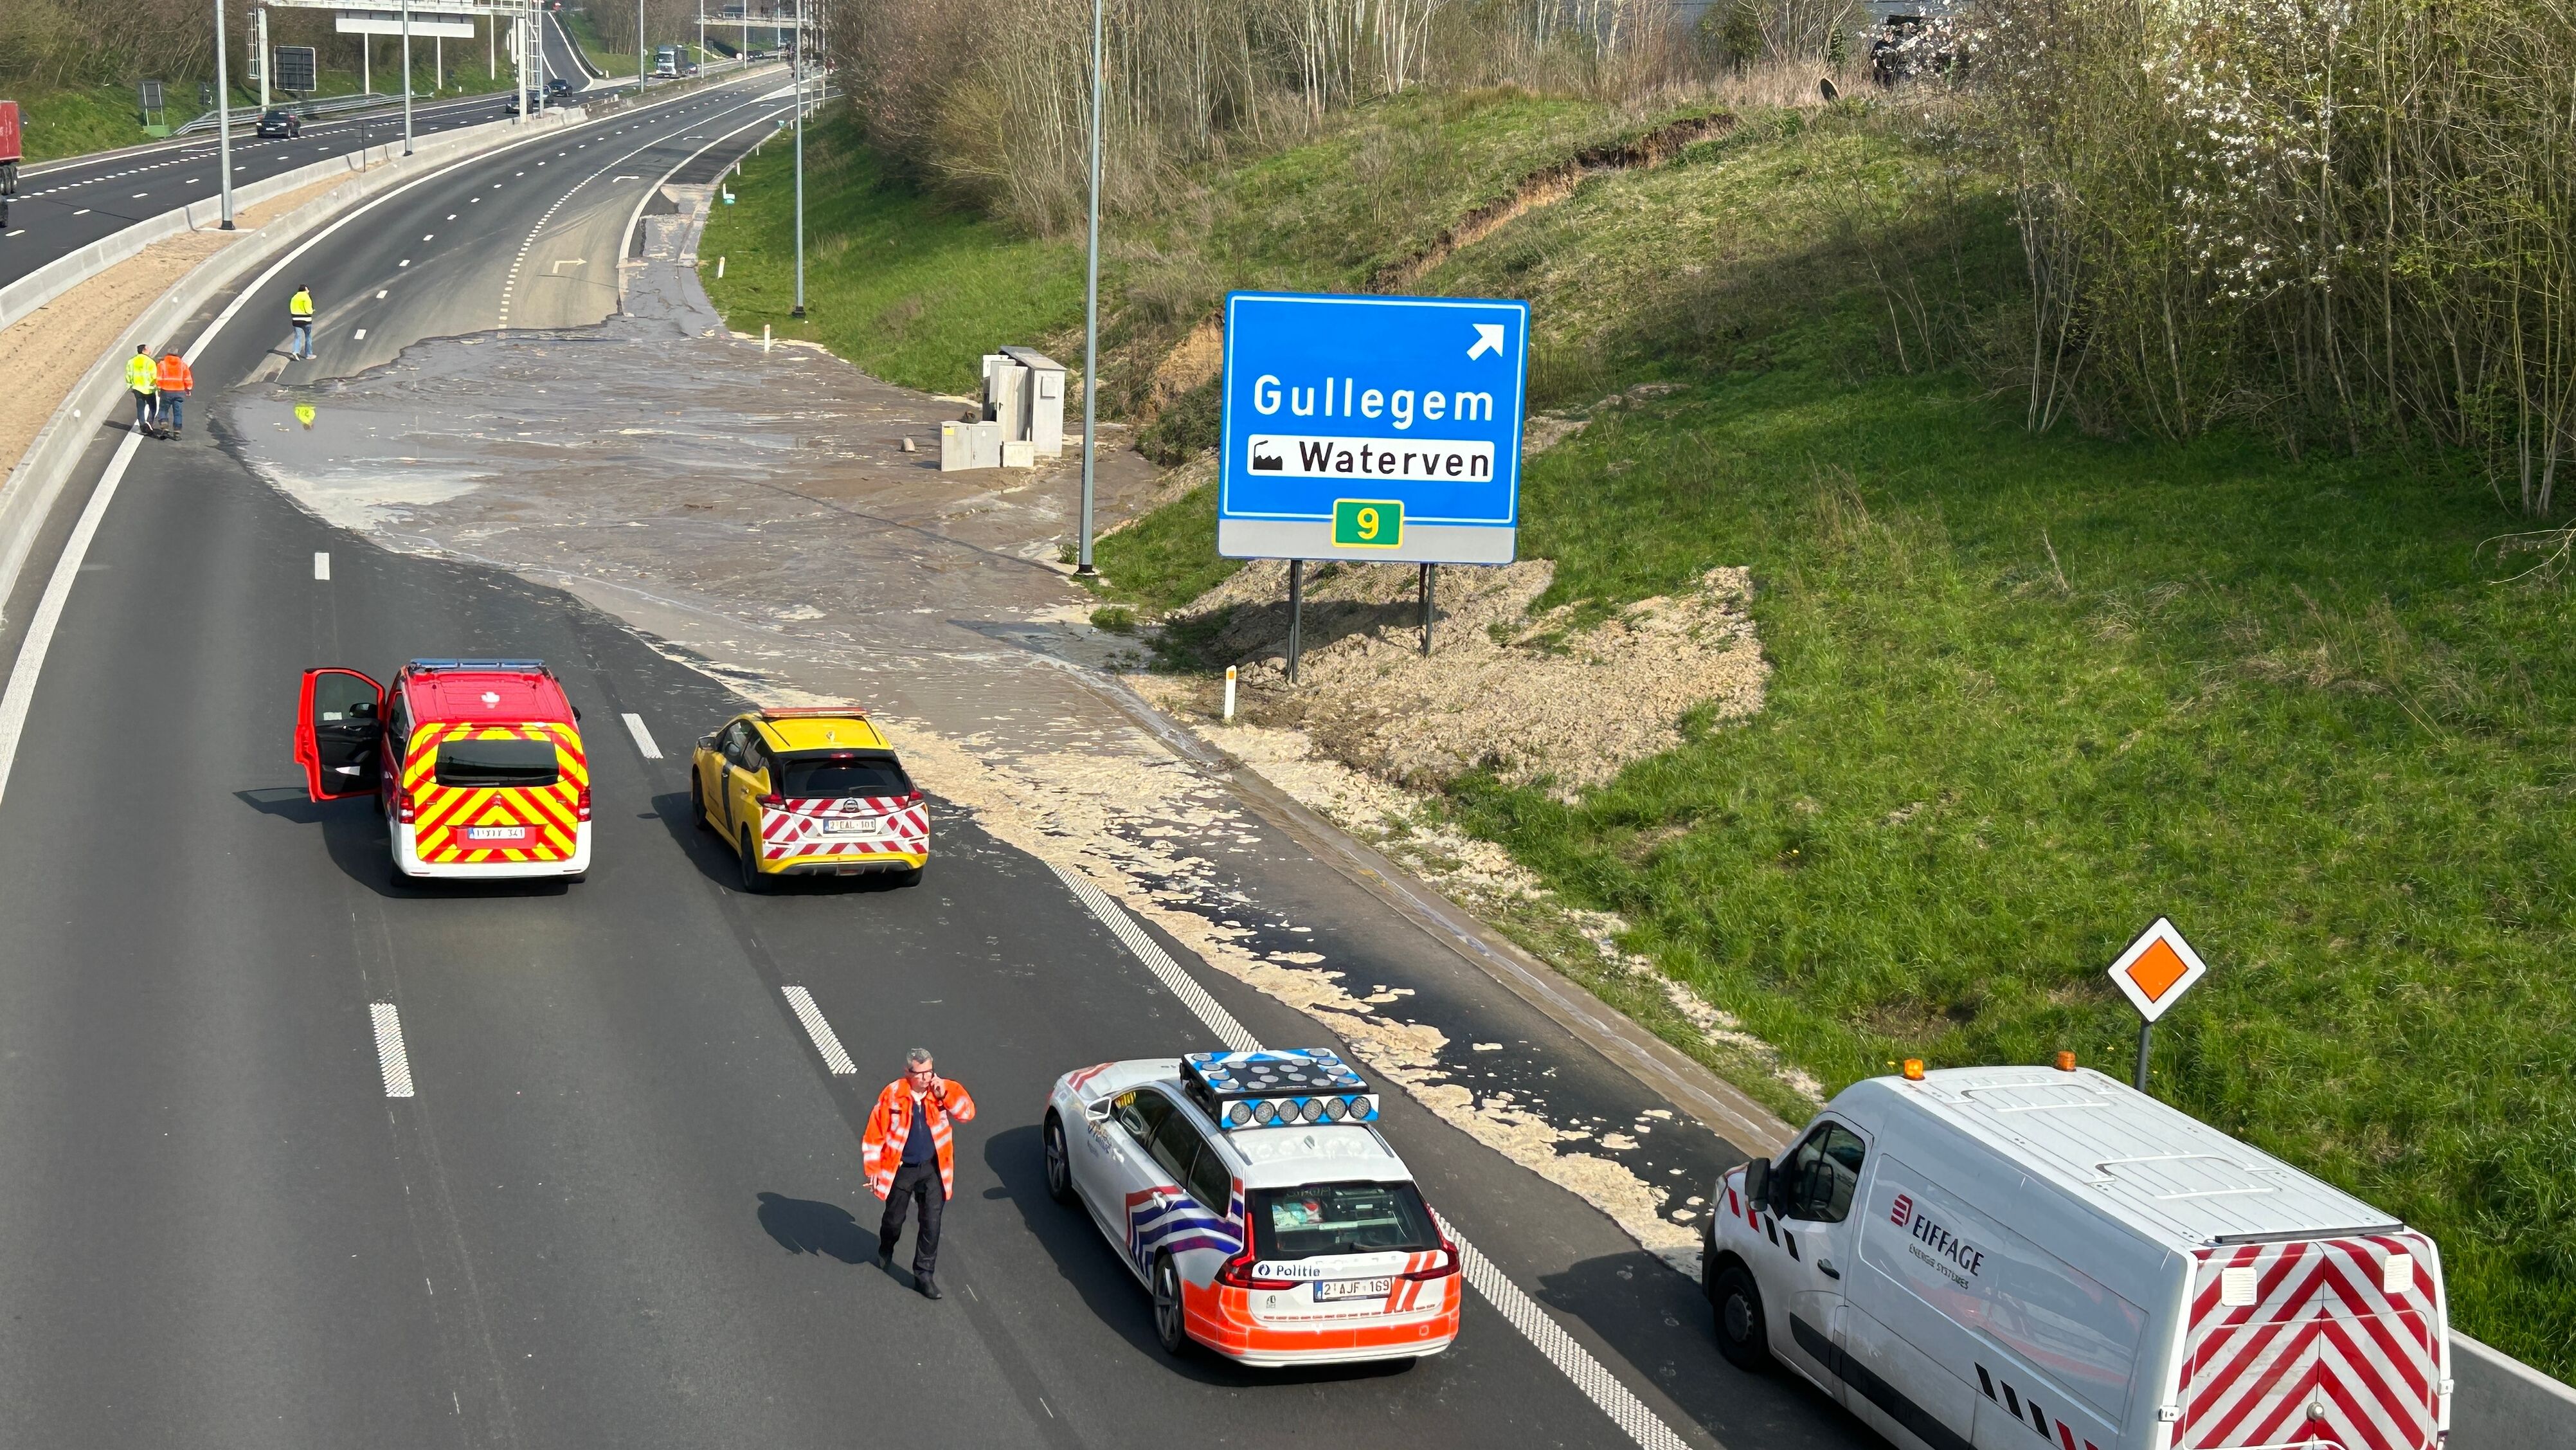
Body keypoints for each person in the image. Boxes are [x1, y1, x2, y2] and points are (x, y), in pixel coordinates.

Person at [861, 1047, 976, 1300]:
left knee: (931, 1224)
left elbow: (967, 1113)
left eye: (929, 1072)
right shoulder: (893, 1094)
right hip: (902, 1170)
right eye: (920, 1073)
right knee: (894, 1220)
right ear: (907, 1072)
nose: (926, 1078)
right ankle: (887, 1245)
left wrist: (945, 1094)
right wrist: (873, 1168)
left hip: (933, 1169)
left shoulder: (942, 1090)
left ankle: (924, 1275)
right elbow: (874, 1132)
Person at [154, 348, 194, 439]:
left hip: (166, 391)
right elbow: (187, 378)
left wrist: (159, 388)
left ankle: (164, 427)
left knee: (163, 410)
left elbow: (159, 378)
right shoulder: (183, 365)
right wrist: (188, 389)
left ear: (168, 354)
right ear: (177, 354)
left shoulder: (162, 364)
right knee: (178, 413)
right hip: (179, 392)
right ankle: (177, 433)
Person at [124, 345, 158, 435]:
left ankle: (142, 424)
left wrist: (130, 386)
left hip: (137, 388)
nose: (150, 350)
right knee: (153, 407)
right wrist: (158, 387)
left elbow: (128, 375)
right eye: (148, 348)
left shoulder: (131, 361)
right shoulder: (150, 362)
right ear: (144, 350)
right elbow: (154, 376)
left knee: (140, 407)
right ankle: (149, 423)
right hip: (149, 389)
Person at [289, 283, 316, 359]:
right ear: (305, 290)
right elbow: (308, 310)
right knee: (308, 337)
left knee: (297, 337)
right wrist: (312, 311)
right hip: (306, 320)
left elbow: (292, 308)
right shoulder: (306, 298)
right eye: (307, 290)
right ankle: (309, 354)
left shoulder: (294, 298)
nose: (308, 291)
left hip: (296, 320)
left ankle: (295, 351)